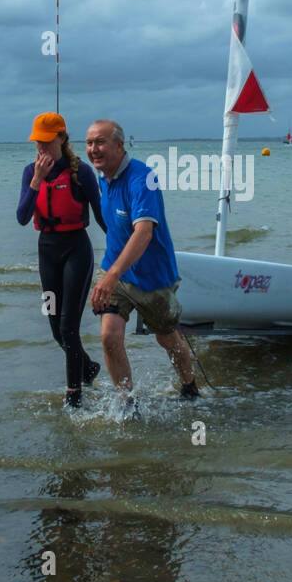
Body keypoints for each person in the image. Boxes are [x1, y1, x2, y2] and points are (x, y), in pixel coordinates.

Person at [85, 119, 198, 407]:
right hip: (118, 273)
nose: (93, 149)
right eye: (89, 143)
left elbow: (144, 232)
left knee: (167, 340)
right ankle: (126, 402)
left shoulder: (143, 178)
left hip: (153, 278)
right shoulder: (103, 177)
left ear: (120, 145)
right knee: (110, 337)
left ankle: (190, 388)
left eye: (100, 142)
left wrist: (110, 276)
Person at [17, 112, 106, 408]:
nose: (41, 147)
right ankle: (88, 368)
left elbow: (103, 218)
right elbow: (21, 218)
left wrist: (128, 249)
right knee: (55, 327)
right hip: (47, 252)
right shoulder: (31, 172)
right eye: (36, 142)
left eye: (46, 141)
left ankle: (73, 394)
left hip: (76, 251)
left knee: (69, 328)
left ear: (62, 138)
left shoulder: (81, 172)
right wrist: (37, 181)